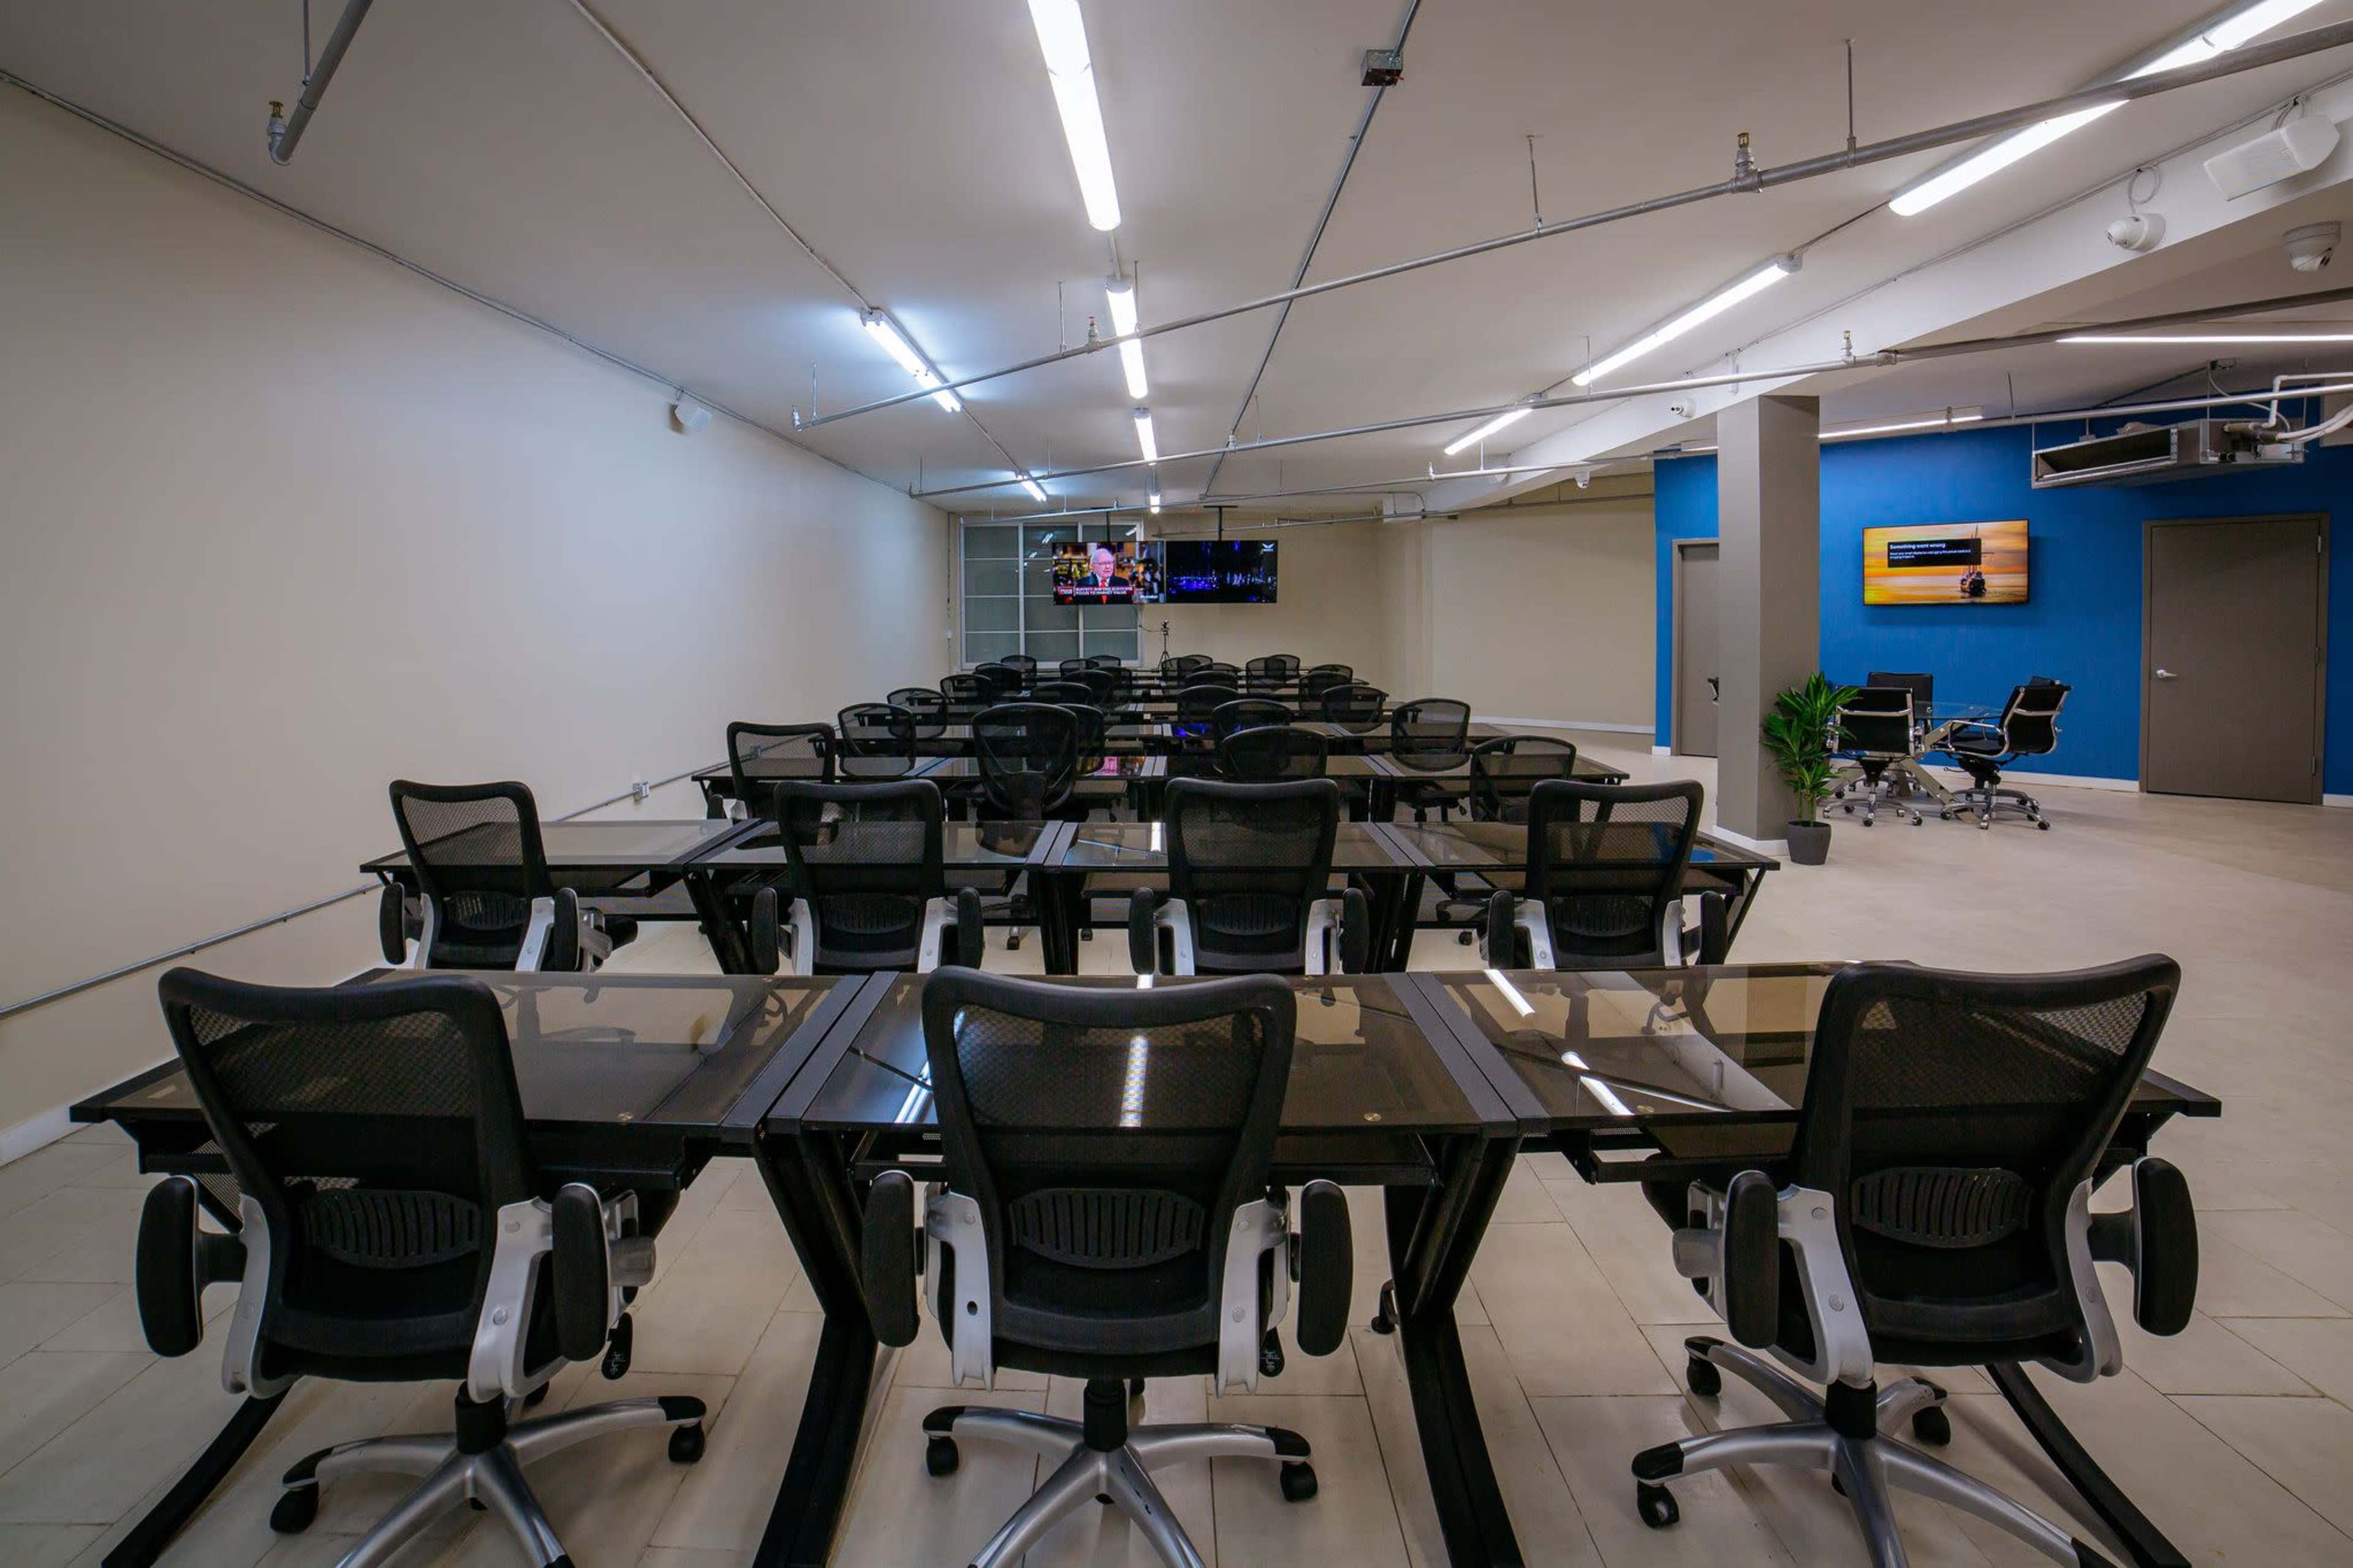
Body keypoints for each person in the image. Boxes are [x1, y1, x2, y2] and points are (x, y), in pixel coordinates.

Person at [1066, 543, 1131, 602]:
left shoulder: (1123, 583)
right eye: (1103, 563)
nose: (1108, 567)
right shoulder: (1082, 584)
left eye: (1110, 563)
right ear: (1094, 567)